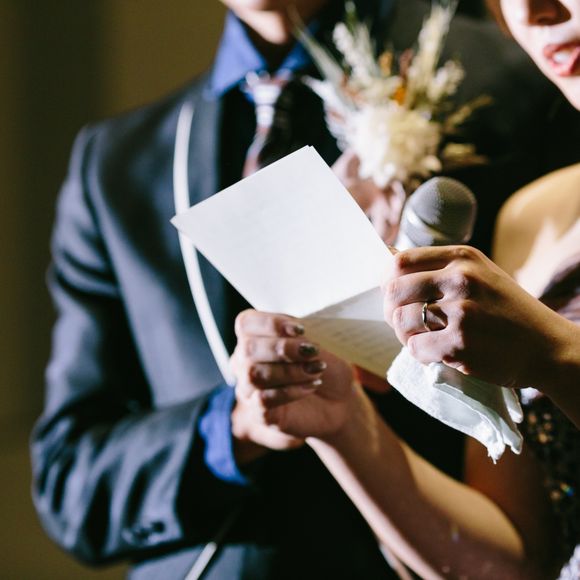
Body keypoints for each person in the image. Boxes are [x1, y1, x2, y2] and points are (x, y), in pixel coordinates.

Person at [31, 1, 580, 579]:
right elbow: (70, 483)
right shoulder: (116, 163)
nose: (534, 9)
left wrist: (548, 356)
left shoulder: (515, 76)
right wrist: (239, 425)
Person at [231, 0, 580, 577]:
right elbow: (513, 563)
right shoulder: (533, 217)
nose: (531, 11)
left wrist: (553, 356)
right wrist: (343, 423)